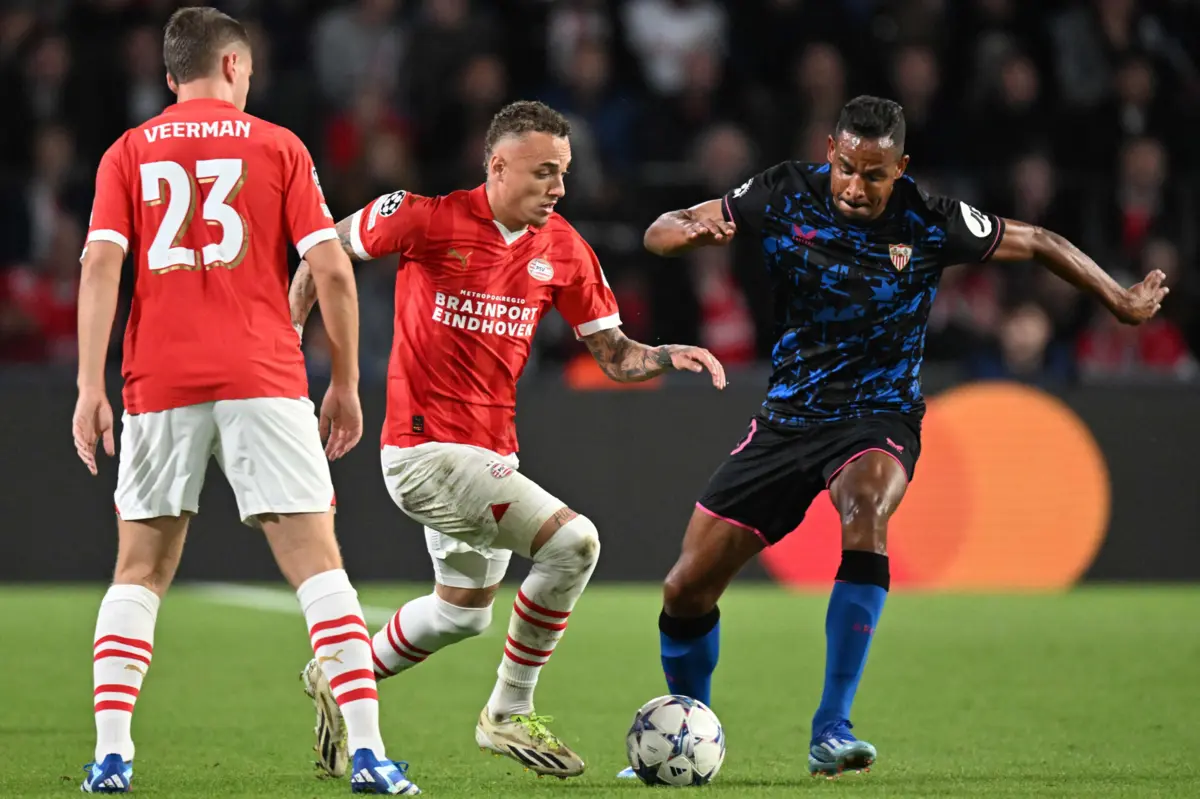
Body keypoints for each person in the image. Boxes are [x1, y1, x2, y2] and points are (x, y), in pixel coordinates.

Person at [628, 95, 1169, 779]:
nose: (856, 187)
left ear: (900, 168)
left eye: (874, 174)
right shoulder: (782, 191)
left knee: (867, 508)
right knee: (685, 589)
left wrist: (1118, 298)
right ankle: (689, 733)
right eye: (848, 168)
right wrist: (678, 232)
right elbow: (667, 227)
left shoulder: (930, 218)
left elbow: (1039, 240)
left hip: (877, 415)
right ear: (831, 150)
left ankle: (832, 727)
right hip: (788, 417)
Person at [288, 100, 726, 781]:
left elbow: (612, 353)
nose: (558, 186)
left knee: (460, 614)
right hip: (424, 450)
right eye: (545, 172)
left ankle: (339, 669)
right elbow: (321, 253)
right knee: (574, 541)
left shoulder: (564, 249)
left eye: (565, 173)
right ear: (497, 165)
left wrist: (666, 353)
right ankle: (508, 709)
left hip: (490, 455)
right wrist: (291, 353)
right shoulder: (424, 218)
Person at [73, 7, 418, 795]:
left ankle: (113, 756)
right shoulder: (279, 146)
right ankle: (367, 750)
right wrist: (344, 380)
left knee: (138, 570)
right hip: (263, 375)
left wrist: (91, 385)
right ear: (233, 67)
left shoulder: (126, 151)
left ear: (171, 76)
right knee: (318, 568)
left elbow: (99, 266)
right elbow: (330, 269)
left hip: (157, 380)